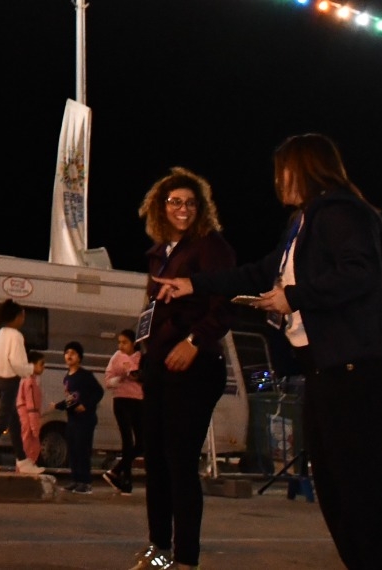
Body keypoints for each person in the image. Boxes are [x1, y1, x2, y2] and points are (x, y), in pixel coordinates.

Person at [157, 135, 382, 570]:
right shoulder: (302, 222)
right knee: (334, 490)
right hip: (327, 370)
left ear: (306, 168)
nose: (278, 183)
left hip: (359, 369)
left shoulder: (341, 212)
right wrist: (195, 284)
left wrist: (294, 296)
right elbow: (258, 271)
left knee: (361, 492)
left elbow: (360, 274)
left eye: (282, 173)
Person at [129, 167, 235, 570]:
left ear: (201, 207)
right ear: (160, 205)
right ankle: (158, 551)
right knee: (154, 461)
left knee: (179, 462)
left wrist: (194, 342)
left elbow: (224, 304)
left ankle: (186, 560)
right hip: (158, 367)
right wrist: (143, 350)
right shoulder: (160, 253)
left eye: (191, 202)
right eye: (175, 201)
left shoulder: (211, 247)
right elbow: (151, 312)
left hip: (195, 365)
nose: (183, 209)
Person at [0, 301, 42, 474]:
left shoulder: (0, 334)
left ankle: (22, 460)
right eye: (22, 315)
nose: (24, 319)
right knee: (3, 420)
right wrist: (31, 369)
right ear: (16, 317)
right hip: (10, 380)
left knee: (13, 421)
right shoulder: (16, 336)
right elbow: (17, 362)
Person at [54, 342, 103, 494]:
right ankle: (75, 479)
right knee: (73, 449)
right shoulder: (67, 378)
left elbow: (98, 392)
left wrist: (87, 405)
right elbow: (70, 399)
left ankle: (86, 482)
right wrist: (58, 406)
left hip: (86, 419)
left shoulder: (86, 375)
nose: (69, 355)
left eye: (73, 353)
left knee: (83, 450)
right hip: (73, 419)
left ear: (79, 357)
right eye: (67, 352)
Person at [103, 329, 144, 494]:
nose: (121, 346)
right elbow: (108, 381)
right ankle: (126, 480)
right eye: (119, 342)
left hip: (139, 401)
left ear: (134, 342)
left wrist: (138, 377)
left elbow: (149, 377)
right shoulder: (116, 357)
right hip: (121, 400)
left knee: (142, 442)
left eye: (124, 342)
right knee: (127, 440)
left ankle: (116, 471)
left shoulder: (141, 357)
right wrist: (121, 377)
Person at [16, 351, 46, 469]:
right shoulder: (30, 381)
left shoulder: (25, 379)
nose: (43, 367)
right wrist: (35, 426)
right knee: (30, 444)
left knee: (26, 442)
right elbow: (31, 405)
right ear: (32, 365)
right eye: (41, 364)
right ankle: (27, 467)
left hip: (25, 416)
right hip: (28, 418)